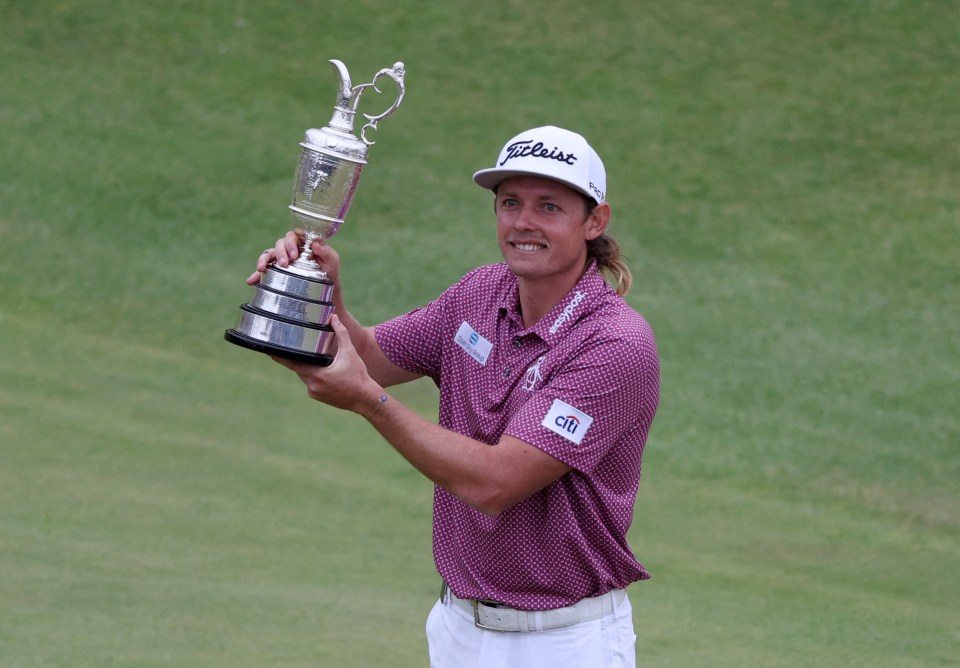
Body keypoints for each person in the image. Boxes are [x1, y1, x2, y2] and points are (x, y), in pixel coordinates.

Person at [247, 126, 660, 667]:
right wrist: (315, 291)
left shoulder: (615, 345)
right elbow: (367, 358)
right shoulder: (479, 293)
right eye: (510, 202)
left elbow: (496, 482)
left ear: (594, 221)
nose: (523, 223)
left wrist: (370, 403)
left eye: (549, 207)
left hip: (564, 642)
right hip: (458, 629)